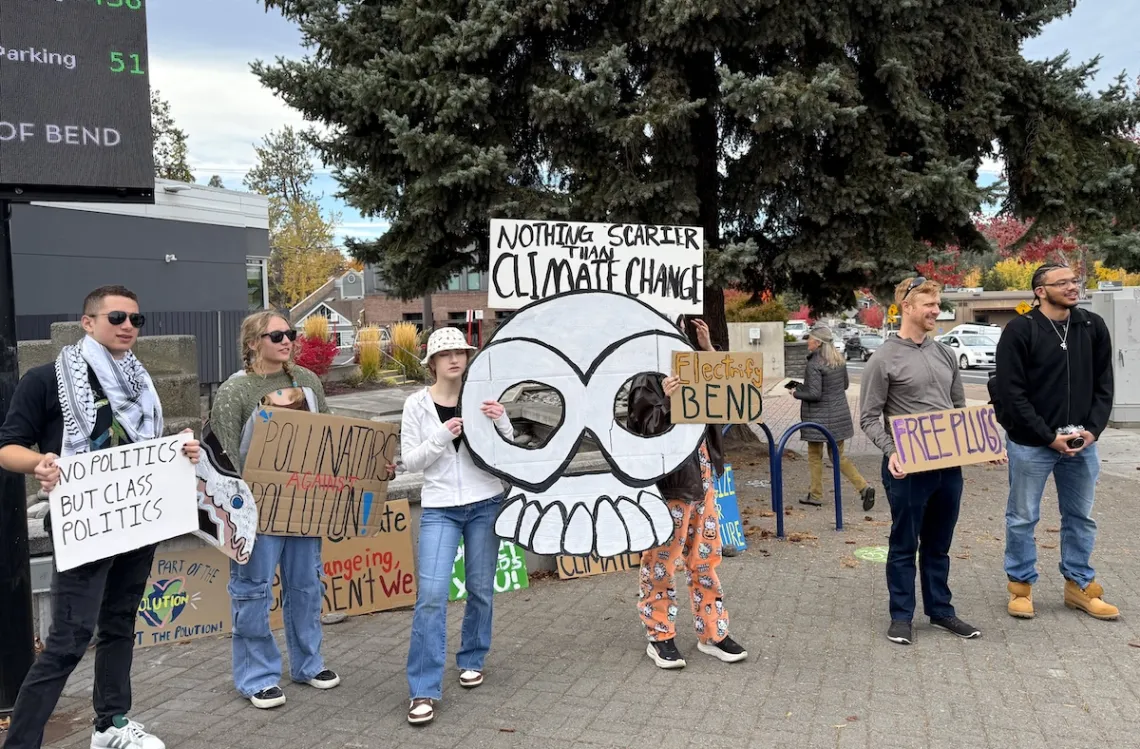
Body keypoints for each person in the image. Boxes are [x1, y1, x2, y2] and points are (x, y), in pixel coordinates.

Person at [0, 285, 200, 749]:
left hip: (139, 522)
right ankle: (22, 741)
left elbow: (147, 449)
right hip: (82, 525)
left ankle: (111, 723)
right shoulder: (47, 379)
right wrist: (39, 464)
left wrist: (182, 452)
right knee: (70, 637)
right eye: (116, 318)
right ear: (88, 323)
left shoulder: (140, 382)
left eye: (135, 319)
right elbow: (8, 448)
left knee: (119, 623)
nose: (128, 326)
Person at [209, 311, 357, 709]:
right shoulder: (233, 392)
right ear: (253, 342)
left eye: (289, 334)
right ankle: (257, 677)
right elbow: (223, 456)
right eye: (276, 335)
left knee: (307, 585)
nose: (286, 340)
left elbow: (329, 437)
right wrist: (240, 511)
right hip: (255, 511)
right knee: (252, 590)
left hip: (304, 503)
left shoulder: (306, 382)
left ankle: (309, 664)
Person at [859, 277, 981, 646]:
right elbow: (868, 417)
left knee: (939, 542)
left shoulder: (944, 353)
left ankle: (941, 611)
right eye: (929, 304)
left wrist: (981, 443)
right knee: (903, 543)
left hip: (948, 466)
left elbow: (958, 409)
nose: (936, 310)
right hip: (908, 467)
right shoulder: (883, 358)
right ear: (907, 307)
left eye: (938, 303)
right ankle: (901, 616)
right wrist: (892, 452)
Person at [401, 327, 512, 726]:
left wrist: (501, 423)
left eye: (460, 353)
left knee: (481, 588)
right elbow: (410, 462)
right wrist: (440, 436)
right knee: (431, 595)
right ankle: (423, 689)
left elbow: (508, 447)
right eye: (445, 355)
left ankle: (472, 657)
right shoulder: (416, 405)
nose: (454, 360)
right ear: (431, 363)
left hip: (485, 502)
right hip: (440, 508)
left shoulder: (482, 397)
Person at [992, 263, 1117, 620]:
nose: (1072, 287)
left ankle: (1078, 585)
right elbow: (1011, 393)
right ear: (1040, 290)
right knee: (1022, 516)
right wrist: (1048, 437)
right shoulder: (1020, 330)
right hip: (1031, 443)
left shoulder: (1092, 326)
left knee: (1080, 517)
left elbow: (1104, 384)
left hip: (1082, 442)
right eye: (1062, 282)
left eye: (1074, 281)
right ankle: (1020, 587)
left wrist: (1092, 430)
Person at [626, 318, 748, 670]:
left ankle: (713, 632)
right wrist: (664, 400)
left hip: (704, 479)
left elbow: (732, 391)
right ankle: (660, 635)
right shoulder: (647, 378)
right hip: (671, 487)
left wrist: (708, 350)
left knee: (705, 560)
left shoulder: (696, 364)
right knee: (661, 562)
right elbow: (642, 431)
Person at [792, 324, 875, 511]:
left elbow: (815, 394)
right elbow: (844, 385)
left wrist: (796, 392)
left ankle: (815, 494)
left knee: (814, 456)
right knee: (838, 456)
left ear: (818, 343)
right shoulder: (839, 360)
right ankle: (864, 487)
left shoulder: (814, 364)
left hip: (817, 419)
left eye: (810, 339)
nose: (808, 342)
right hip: (839, 417)